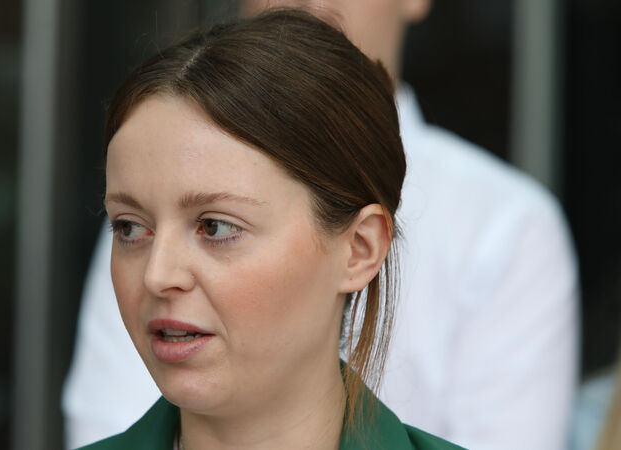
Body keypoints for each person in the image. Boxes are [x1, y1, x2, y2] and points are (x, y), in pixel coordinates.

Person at [64, 1, 579, 449]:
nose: (158, 275)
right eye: (129, 228)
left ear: (360, 248)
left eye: (216, 227)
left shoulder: (503, 222)